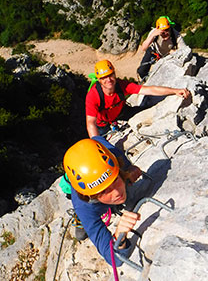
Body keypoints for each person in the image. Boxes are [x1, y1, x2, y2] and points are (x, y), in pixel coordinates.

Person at [63, 136, 147, 266]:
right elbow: (114, 259)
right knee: (80, 235)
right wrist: (119, 236)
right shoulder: (84, 206)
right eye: (104, 191)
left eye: (115, 180)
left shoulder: (112, 157)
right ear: (91, 196)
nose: (117, 192)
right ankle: (80, 218)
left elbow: (97, 137)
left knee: (126, 195)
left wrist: (129, 172)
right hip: (91, 206)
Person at [86, 59, 191, 137]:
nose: (108, 79)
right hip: (102, 123)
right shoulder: (93, 96)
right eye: (104, 77)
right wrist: (98, 144)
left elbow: (150, 90)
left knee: (146, 113)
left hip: (121, 111)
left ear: (114, 74)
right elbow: (91, 123)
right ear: (99, 80)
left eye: (110, 75)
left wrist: (174, 91)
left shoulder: (122, 86)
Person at [137, 16, 187, 81]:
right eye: (162, 32)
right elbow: (144, 48)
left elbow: (185, 50)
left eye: (167, 30)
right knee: (141, 71)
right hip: (154, 51)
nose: (165, 33)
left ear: (170, 28)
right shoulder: (154, 33)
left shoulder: (175, 35)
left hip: (168, 54)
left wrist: (175, 52)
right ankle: (148, 81)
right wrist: (153, 35)